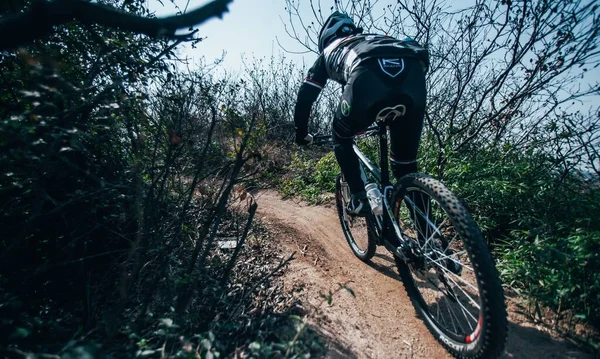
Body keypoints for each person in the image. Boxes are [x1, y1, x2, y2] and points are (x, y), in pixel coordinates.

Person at [293, 11, 429, 216]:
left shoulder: (330, 50)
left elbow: (306, 96)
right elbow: (416, 48)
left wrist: (301, 133)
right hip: (413, 74)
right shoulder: (378, 37)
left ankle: (358, 197)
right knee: (405, 166)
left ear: (326, 38)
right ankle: (429, 237)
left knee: (340, 136)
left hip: (366, 73)